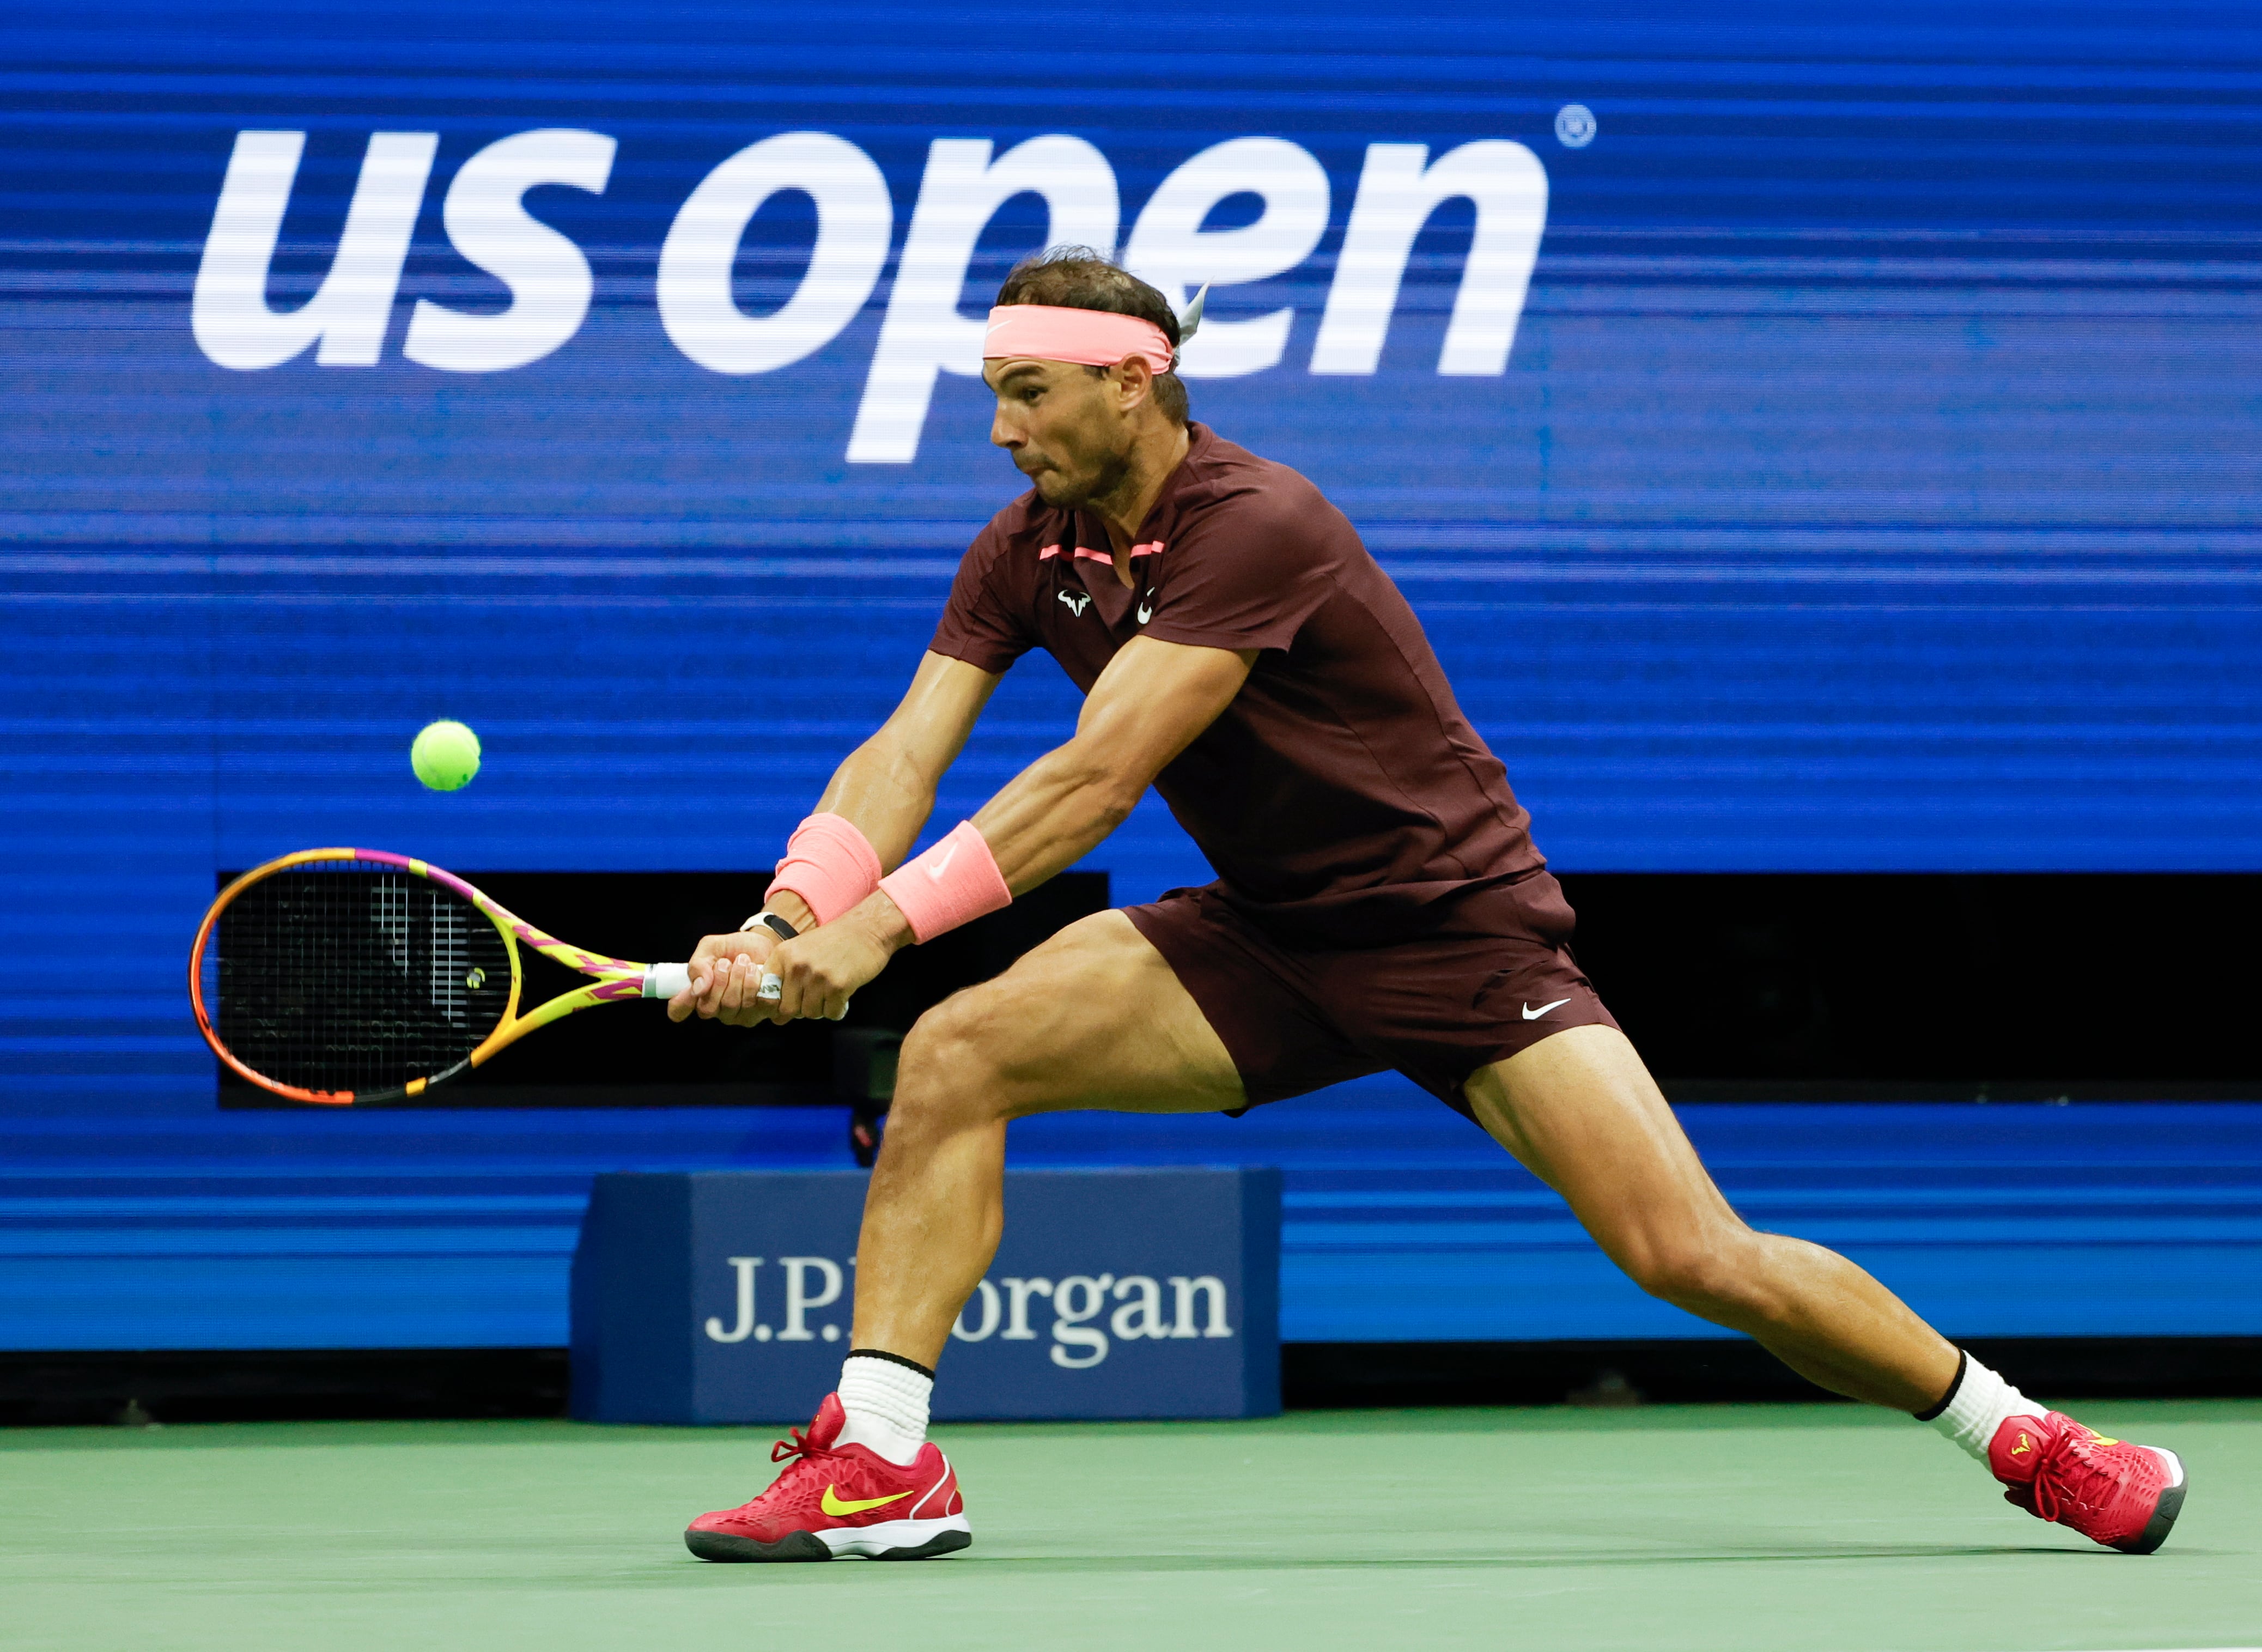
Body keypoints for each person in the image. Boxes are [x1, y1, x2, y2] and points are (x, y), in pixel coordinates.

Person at [665, 248, 2186, 1563]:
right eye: (991, 393)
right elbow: (902, 752)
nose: (1001, 430)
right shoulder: (1026, 550)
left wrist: (880, 935)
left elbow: (1099, 777)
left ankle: (2032, 1443)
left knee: (1689, 1255)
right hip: (1265, 932)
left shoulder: (1256, 520)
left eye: (1032, 396)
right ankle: (882, 1463)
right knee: (956, 1054)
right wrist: (796, 915)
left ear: (1135, 383)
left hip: (1450, 930)